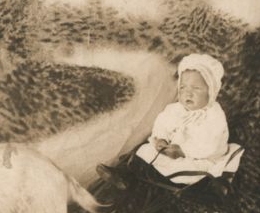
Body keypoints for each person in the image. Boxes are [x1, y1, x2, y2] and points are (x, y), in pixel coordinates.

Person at [97, 53, 241, 189]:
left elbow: (209, 145)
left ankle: (143, 179)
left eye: (196, 88)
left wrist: (183, 151)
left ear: (211, 91)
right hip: (171, 151)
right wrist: (161, 140)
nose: (188, 93)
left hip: (198, 158)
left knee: (184, 171)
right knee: (145, 150)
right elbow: (162, 125)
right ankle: (124, 175)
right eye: (183, 87)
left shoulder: (213, 116)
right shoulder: (175, 109)